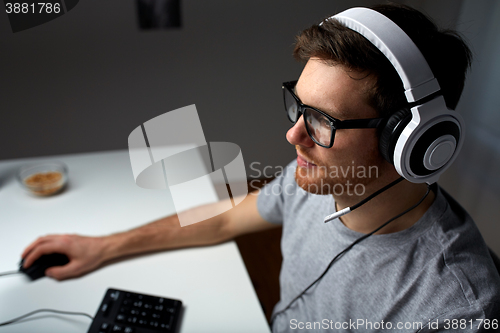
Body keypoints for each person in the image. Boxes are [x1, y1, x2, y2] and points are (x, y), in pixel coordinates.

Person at [21, 3, 500, 332]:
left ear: (410, 143)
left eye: (323, 121)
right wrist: (103, 246)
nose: (293, 136)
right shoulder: (312, 180)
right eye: (299, 106)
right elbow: (229, 216)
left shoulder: (452, 306)